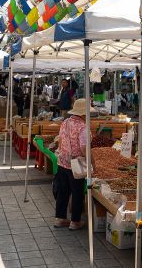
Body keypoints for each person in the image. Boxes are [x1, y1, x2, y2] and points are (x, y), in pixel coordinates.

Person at [54, 98, 96, 230]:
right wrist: (92, 162)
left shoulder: (65, 122)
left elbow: (60, 140)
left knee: (63, 191)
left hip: (62, 162)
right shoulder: (83, 127)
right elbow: (84, 148)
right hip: (75, 165)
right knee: (77, 192)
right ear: (84, 114)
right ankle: (75, 221)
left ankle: (60, 219)